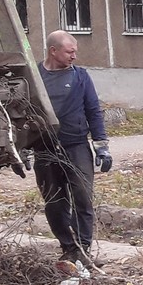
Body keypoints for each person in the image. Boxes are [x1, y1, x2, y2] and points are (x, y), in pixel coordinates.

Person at [35, 31, 111, 268]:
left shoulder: (80, 77)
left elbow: (93, 111)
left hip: (76, 146)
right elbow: (23, 112)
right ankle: (68, 248)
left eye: (75, 51)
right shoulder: (34, 77)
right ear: (53, 51)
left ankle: (82, 249)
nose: (74, 56)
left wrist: (102, 147)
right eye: (70, 52)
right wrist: (24, 148)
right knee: (55, 203)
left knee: (83, 199)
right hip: (45, 149)